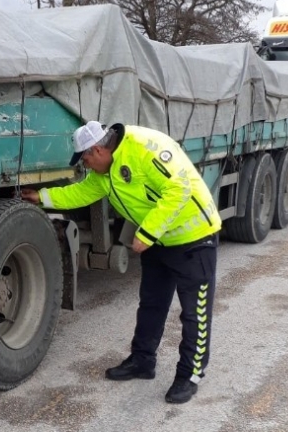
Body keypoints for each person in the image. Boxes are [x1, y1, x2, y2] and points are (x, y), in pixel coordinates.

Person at [21, 121, 221, 404]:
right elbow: (79, 193)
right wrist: (41, 197)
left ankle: (190, 374)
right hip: (159, 241)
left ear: (97, 150)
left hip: (194, 239)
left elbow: (179, 188)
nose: (85, 165)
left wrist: (148, 232)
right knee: (151, 304)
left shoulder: (144, 148)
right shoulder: (104, 172)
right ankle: (142, 360)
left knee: (194, 313)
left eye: (85, 159)